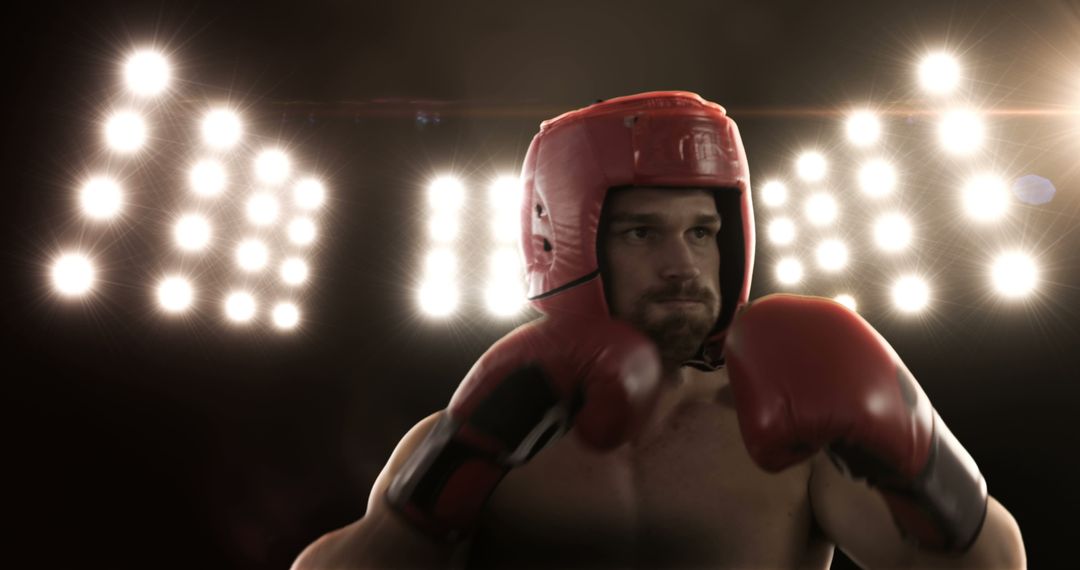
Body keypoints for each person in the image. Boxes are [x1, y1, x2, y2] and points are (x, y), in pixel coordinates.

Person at [294, 91, 1026, 569]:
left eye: (703, 232)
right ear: (566, 244)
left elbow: (994, 565)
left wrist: (917, 446)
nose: (684, 265)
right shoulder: (485, 430)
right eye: (643, 233)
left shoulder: (788, 441)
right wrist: (460, 459)